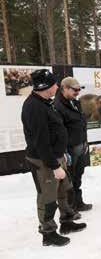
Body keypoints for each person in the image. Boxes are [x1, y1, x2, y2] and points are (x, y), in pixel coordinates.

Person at [21, 69, 87, 247]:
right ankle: (48, 233)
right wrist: (54, 166)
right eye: (54, 84)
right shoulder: (33, 107)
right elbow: (40, 141)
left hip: (56, 157)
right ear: (45, 87)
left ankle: (67, 222)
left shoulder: (44, 102)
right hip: (44, 161)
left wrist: (61, 156)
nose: (57, 87)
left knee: (65, 190)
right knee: (48, 197)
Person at [54, 77, 93, 212]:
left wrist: (85, 142)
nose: (78, 92)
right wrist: (64, 151)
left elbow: (81, 124)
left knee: (78, 175)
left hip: (80, 145)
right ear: (65, 88)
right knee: (69, 179)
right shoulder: (57, 106)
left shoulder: (75, 103)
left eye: (79, 89)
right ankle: (70, 208)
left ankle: (78, 202)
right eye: (75, 89)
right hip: (70, 149)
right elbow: (58, 131)